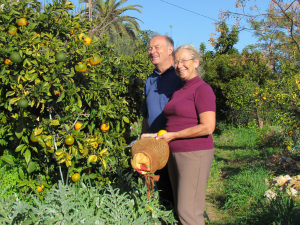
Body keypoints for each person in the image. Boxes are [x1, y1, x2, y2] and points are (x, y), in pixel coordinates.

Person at [146, 44, 216, 225]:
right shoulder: (180, 90)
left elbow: (208, 127)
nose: (179, 65)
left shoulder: (202, 89)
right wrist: (154, 137)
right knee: (179, 209)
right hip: (175, 153)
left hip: (194, 154)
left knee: (189, 212)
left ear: (196, 62)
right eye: (176, 62)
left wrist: (173, 135)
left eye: (184, 61)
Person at [141, 35, 183, 206]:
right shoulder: (150, 79)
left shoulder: (180, 76)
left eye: (157, 47)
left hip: (174, 143)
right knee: (159, 189)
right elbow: (146, 114)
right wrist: (143, 141)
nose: (152, 52)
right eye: (150, 48)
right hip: (154, 145)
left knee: (179, 191)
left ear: (170, 49)